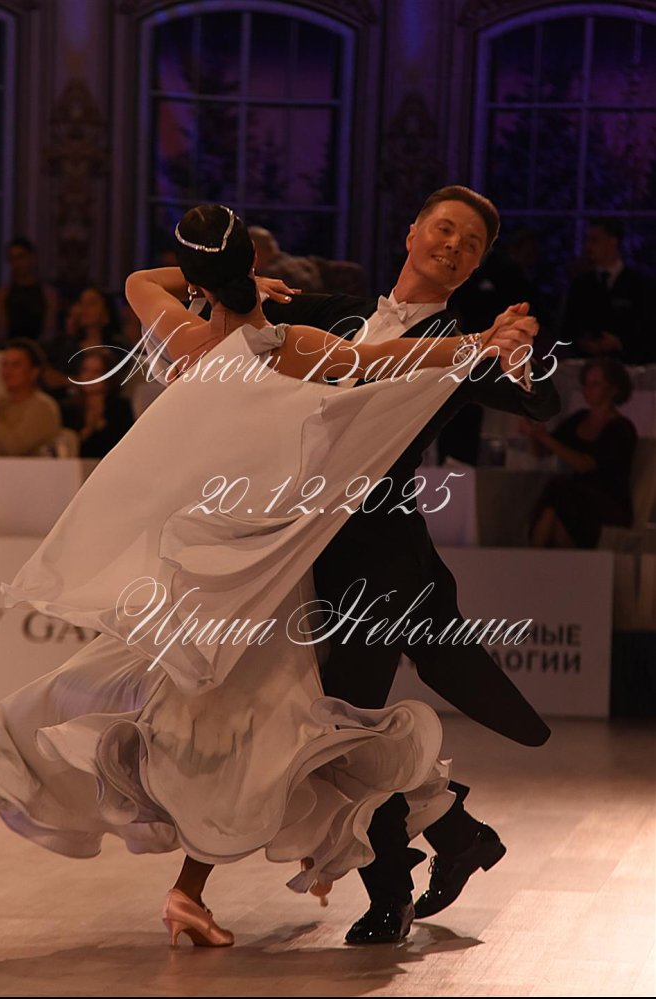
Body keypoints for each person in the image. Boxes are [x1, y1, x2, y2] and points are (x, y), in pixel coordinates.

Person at [0, 204, 523, 949]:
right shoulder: (289, 343)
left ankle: (213, 884)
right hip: (265, 565)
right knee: (281, 728)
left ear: (197, 283)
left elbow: (142, 278)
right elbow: (381, 362)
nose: (454, 245)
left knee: (249, 721)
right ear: (252, 265)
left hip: (199, 560)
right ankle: (404, 841)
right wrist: (480, 341)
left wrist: (214, 278)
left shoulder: (176, 331)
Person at [263, 185, 561, 943]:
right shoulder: (335, 311)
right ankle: (458, 835)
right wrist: (247, 289)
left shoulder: (465, 344)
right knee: (331, 726)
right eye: (444, 229)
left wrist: (520, 357)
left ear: (476, 266)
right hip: (303, 550)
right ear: (411, 233)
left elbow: (542, 404)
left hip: (380, 561)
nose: (453, 246)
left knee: (347, 727)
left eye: (471, 243)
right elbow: (242, 330)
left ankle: (392, 891)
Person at [525, 359, 637, 548]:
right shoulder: (578, 419)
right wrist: (533, 433)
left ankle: (536, 552)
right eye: (585, 383)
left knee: (559, 490)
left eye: (595, 384)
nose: (587, 389)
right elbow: (543, 453)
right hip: (574, 496)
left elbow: (585, 465)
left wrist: (544, 438)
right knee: (559, 497)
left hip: (608, 501)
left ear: (613, 389)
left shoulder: (621, 428)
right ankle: (544, 552)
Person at [561, 219, 655, 365]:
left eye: (595, 240)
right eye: (587, 240)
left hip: (630, 366)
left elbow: (648, 330)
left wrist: (620, 343)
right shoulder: (580, 285)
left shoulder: (640, 285)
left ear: (613, 242)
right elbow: (567, 328)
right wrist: (583, 343)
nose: (588, 246)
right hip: (586, 365)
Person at [44, 286, 130, 398]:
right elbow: (50, 377)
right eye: (81, 303)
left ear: (106, 313)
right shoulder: (64, 345)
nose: (84, 309)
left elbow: (114, 382)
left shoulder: (119, 347)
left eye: (91, 304)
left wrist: (70, 381)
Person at [0, 338, 62, 456]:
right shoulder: (1, 405)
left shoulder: (42, 407)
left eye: (16, 365)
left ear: (34, 372)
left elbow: (16, 448)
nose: (7, 371)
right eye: (5, 365)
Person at [60, 347, 134, 458]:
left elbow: (125, 445)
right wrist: (88, 430)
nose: (89, 376)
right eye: (85, 370)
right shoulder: (69, 408)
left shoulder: (120, 408)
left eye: (97, 372)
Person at [0, 238, 59, 347]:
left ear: (33, 258)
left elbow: (49, 333)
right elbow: (1, 334)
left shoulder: (48, 294)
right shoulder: (2, 294)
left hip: (40, 349)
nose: (17, 263)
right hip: (9, 349)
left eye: (21, 257)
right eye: (12, 259)